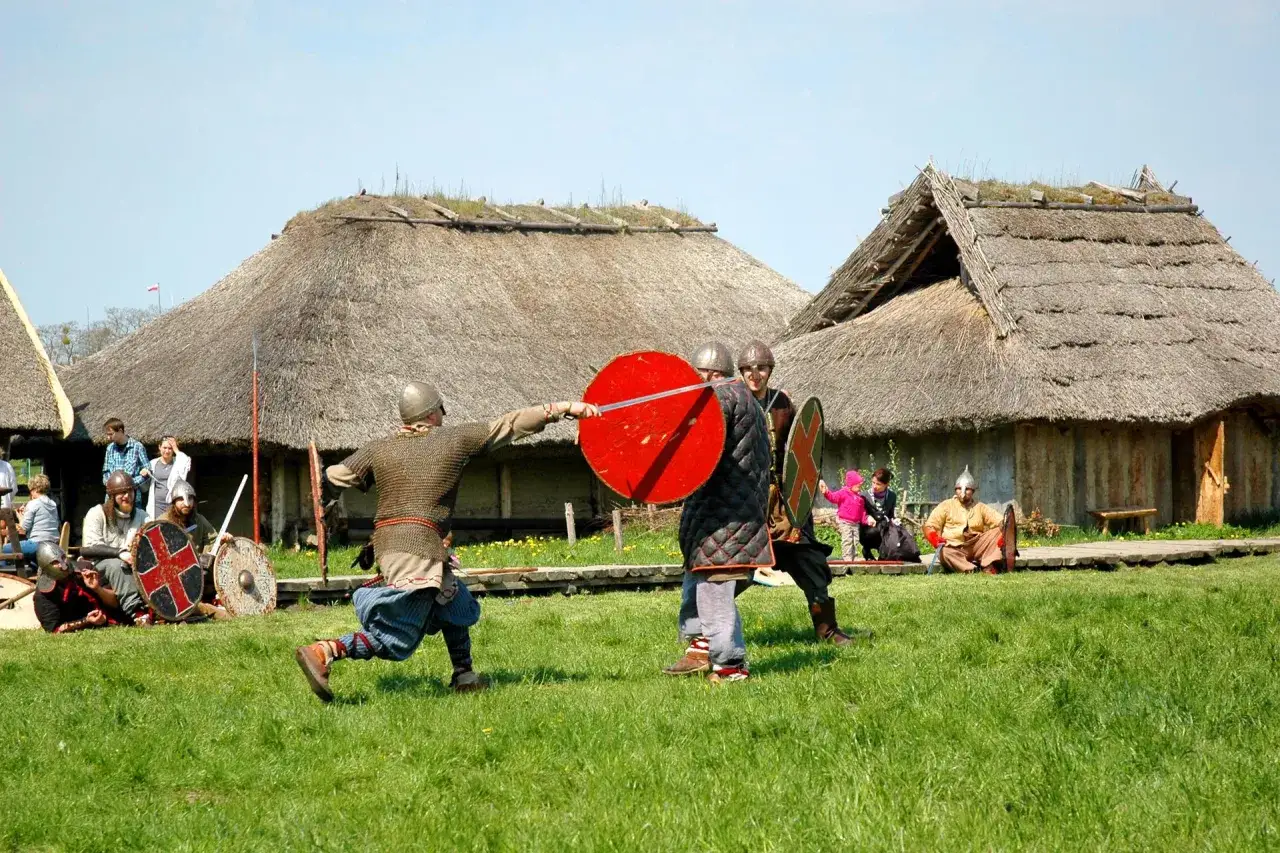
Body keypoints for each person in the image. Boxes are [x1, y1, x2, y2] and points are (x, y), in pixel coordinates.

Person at [294, 381, 600, 702]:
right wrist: (564, 409)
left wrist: (324, 503)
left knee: (452, 601)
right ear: (431, 413)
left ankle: (464, 676)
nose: (443, 415)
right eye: (441, 409)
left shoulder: (378, 448)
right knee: (397, 638)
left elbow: (331, 478)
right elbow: (509, 425)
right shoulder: (452, 439)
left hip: (391, 545)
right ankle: (325, 651)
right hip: (417, 549)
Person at [737, 339, 863, 645]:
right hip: (749, 503)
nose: (755, 374)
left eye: (762, 368)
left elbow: (801, 448)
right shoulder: (735, 402)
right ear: (741, 372)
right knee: (734, 568)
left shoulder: (783, 403)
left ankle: (827, 629)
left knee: (808, 559)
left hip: (786, 500)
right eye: (749, 368)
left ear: (770, 370)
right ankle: (705, 633)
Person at [663, 342, 772, 683]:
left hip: (725, 517)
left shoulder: (721, 398)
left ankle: (730, 666)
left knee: (714, 588)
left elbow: (695, 443)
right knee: (698, 580)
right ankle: (700, 649)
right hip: (722, 513)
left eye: (697, 375)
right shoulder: (745, 399)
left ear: (710, 375)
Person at [81, 470, 150, 622]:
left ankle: (159, 608)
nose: (127, 496)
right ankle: (137, 613)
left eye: (130, 491)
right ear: (112, 496)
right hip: (101, 567)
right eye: (122, 493)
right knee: (117, 565)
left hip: (134, 564)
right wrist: (120, 553)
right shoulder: (97, 513)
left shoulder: (142, 516)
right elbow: (89, 549)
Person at [161, 479, 232, 608]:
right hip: (173, 571)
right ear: (174, 501)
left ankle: (216, 597)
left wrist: (220, 543)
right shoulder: (163, 522)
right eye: (181, 499)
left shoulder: (199, 520)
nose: (186, 503)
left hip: (197, 568)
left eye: (190, 499)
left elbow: (212, 540)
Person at [32, 542, 130, 634]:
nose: (63, 565)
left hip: (113, 619)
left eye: (63, 558)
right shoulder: (43, 595)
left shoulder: (84, 569)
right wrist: (86, 621)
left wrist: (97, 588)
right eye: (55, 562)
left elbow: (115, 603)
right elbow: (54, 630)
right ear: (46, 566)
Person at [923, 466, 1005, 574]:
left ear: (973, 491)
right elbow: (930, 525)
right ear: (955, 489)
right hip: (954, 547)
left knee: (999, 531)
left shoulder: (980, 507)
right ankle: (970, 569)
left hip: (977, 545)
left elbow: (1001, 521)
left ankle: (989, 565)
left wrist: (1004, 534)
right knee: (944, 552)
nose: (963, 492)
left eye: (967, 489)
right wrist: (935, 539)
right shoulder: (946, 505)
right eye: (959, 488)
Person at [1, 473, 60, 563]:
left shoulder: (33, 503)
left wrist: (19, 515)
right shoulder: (53, 504)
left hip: (37, 543)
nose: (31, 493)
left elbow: (24, 528)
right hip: (53, 543)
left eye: (31, 490)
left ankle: (4, 571)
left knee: (4, 549)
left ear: (35, 489)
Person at [818, 470, 870, 562]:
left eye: (860, 486)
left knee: (855, 540)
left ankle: (854, 557)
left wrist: (867, 520)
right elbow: (833, 497)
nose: (860, 488)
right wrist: (826, 492)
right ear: (851, 485)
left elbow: (862, 512)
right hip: (845, 522)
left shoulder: (860, 498)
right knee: (847, 539)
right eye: (858, 486)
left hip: (855, 524)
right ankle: (847, 557)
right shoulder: (843, 492)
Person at [102, 418, 150, 505]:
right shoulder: (110, 448)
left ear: (120, 431)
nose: (108, 437)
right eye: (107, 435)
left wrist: (129, 483)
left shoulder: (137, 447)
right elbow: (106, 471)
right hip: (112, 496)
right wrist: (110, 483)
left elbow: (148, 471)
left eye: (111, 434)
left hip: (132, 496)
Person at [146, 436, 192, 519]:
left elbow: (186, 462)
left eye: (170, 448)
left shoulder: (178, 462)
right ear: (159, 447)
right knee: (158, 524)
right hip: (157, 504)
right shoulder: (153, 463)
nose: (167, 451)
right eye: (164, 448)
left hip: (173, 503)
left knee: (173, 524)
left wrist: (176, 449)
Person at [859, 468, 898, 560]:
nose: (874, 486)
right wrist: (867, 517)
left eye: (878, 484)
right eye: (873, 482)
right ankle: (867, 549)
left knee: (894, 532)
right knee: (875, 531)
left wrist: (895, 522)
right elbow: (859, 514)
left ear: (887, 484)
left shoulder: (892, 496)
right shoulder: (863, 496)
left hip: (883, 527)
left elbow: (891, 515)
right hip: (868, 529)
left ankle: (883, 553)